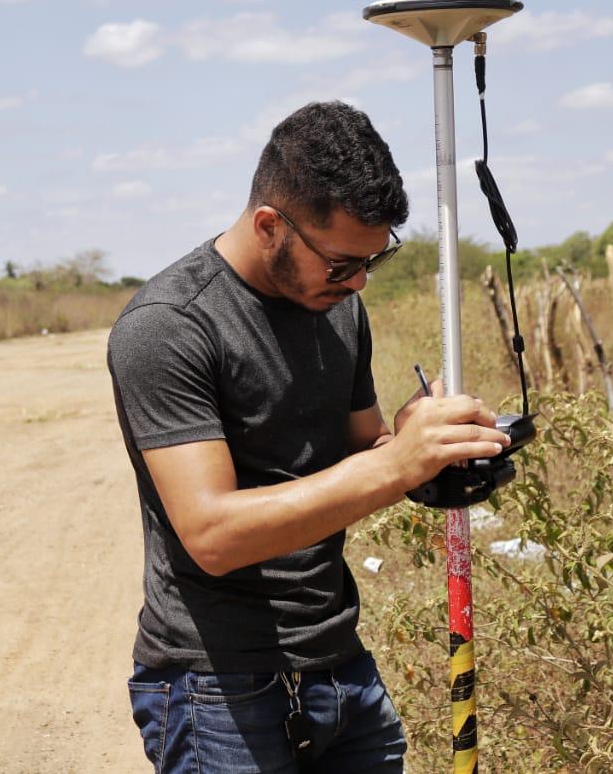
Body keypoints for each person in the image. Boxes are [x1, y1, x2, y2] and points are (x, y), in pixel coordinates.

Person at [108, 101, 510, 772]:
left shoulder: (338, 308)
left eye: (373, 260)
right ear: (270, 225)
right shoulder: (169, 326)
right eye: (341, 262)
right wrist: (396, 464)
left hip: (338, 665)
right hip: (218, 688)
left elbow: (364, 452)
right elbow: (212, 534)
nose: (358, 281)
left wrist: (426, 448)